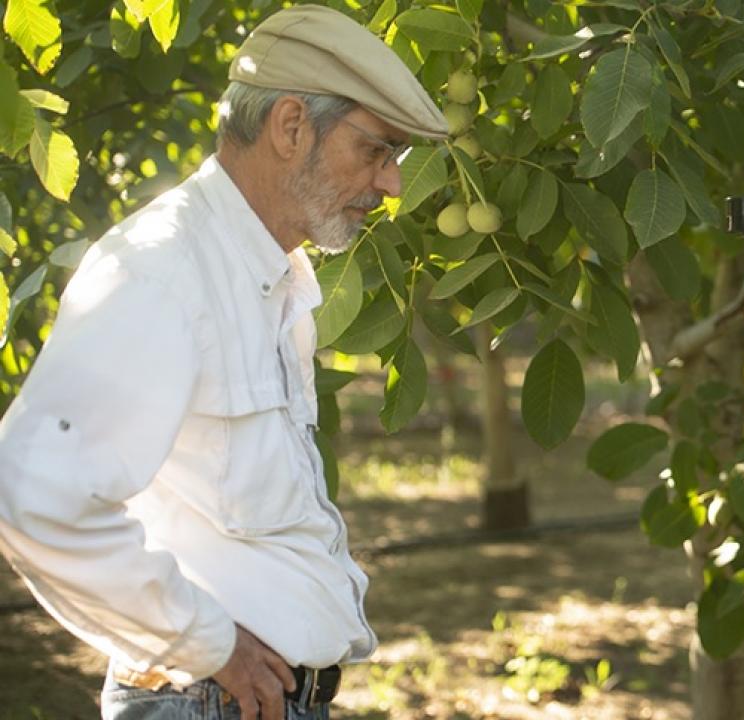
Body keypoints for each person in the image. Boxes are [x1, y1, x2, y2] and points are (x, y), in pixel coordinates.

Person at [0, 5, 448, 719]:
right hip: (208, 698)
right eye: (376, 151)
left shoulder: (272, 277)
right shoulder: (160, 270)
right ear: (291, 125)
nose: (392, 185)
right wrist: (207, 645)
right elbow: (33, 493)